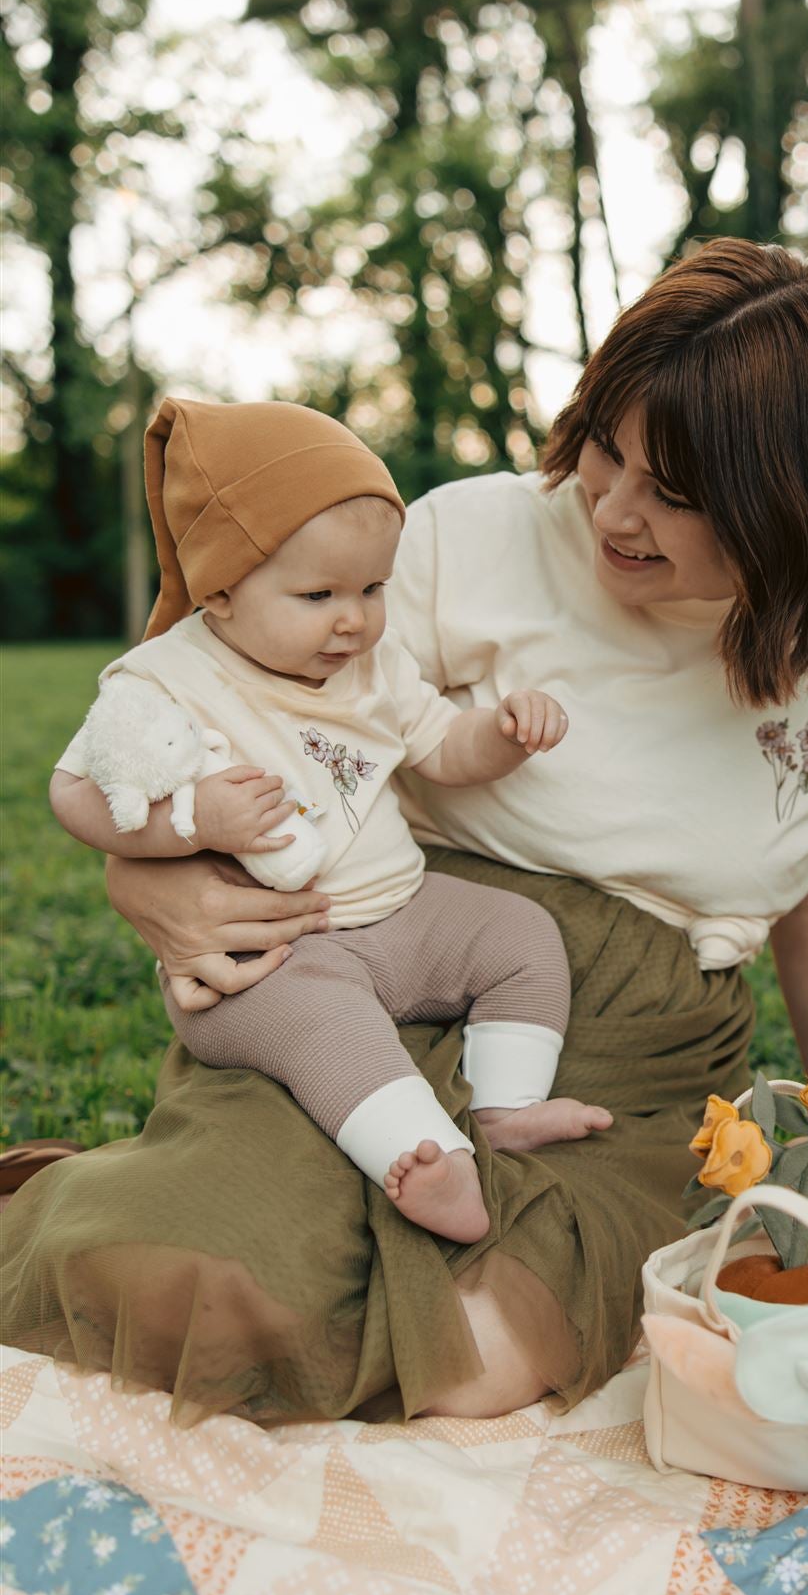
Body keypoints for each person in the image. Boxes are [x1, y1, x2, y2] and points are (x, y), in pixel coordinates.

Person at [3, 238, 808, 1425]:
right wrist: (155, 883)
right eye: (608, 448)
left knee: (478, 1354)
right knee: (216, 1291)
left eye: (676, 493)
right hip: (386, 966)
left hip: (636, 1054)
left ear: (792, 504)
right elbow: (230, 711)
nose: (613, 509)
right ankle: (95, 1199)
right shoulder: (469, 538)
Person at [50, 397, 611, 1246]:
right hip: (272, 957)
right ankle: (428, 1158)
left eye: (373, 588)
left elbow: (443, 751)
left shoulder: (373, 665)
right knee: (328, 1027)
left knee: (520, 936)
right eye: (319, 594)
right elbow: (76, 792)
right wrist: (193, 821)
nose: (354, 618)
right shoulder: (164, 678)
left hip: (400, 913)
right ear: (223, 591)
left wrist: (498, 732)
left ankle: (504, 1108)